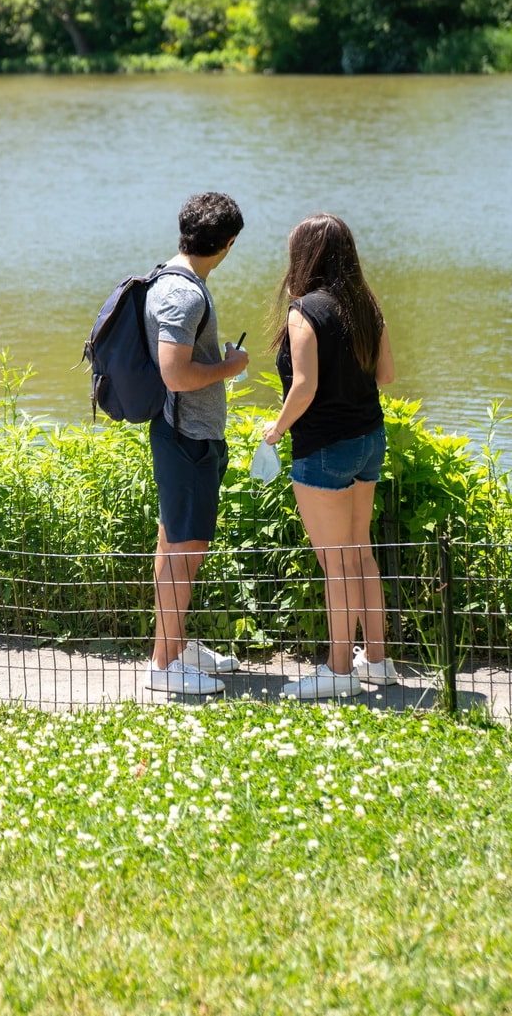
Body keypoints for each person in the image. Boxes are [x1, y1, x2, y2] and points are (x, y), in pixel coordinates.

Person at [261, 214, 397, 700]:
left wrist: (276, 429)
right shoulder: (366, 304)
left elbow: (304, 386)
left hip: (323, 449)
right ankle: (377, 663)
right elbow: (387, 374)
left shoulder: (304, 311)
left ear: (304, 257)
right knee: (360, 552)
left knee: (336, 564)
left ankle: (340, 672)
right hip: (369, 439)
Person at [144, 192, 251, 696]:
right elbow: (175, 373)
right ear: (228, 244)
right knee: (185, 549)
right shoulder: (185, 294)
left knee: (173, 543)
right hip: (187, 436)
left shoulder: (167, 278)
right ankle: (165, 668)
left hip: (181, 434)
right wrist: (231, 366)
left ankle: (173, 645)